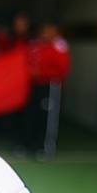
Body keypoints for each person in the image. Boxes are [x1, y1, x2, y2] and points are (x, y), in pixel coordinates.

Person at [23, 21, 71, 156]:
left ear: (55, 31)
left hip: (50, 86)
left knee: (47, 117)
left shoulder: (59, 46)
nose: (46, 33)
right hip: (35, 85)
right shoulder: (35, 45)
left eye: (49, 30)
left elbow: (62, 70)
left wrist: (41, 73)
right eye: (44, 30)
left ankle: (45, 147)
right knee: (32, 114)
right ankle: (29, 145)